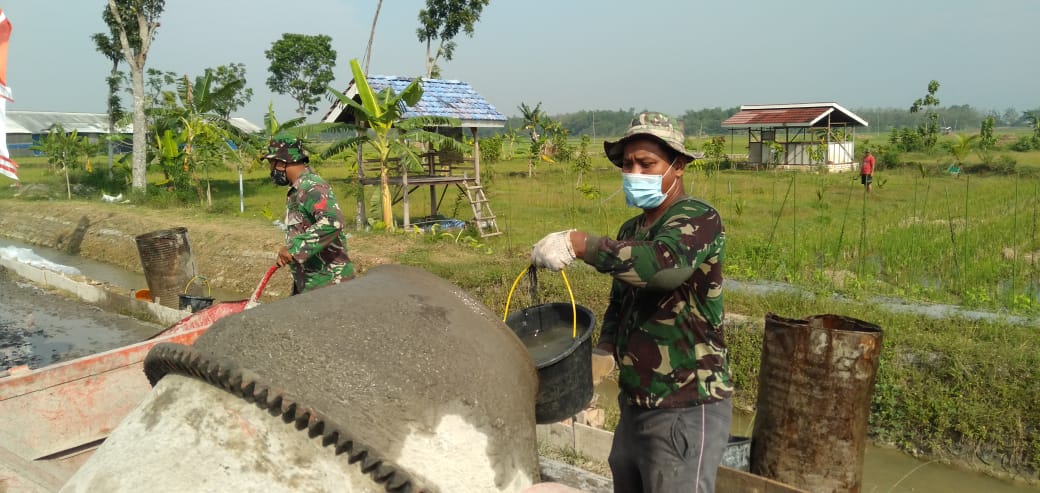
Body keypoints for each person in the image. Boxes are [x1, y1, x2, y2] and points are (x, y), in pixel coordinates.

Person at [530, 112, 733, 493]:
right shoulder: (631, 230)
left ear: (680, 166)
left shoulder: (697, 218)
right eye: (627, 164)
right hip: (637, 401)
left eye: (647, 163)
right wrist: (604, 350)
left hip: (686, 404)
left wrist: (581, 244)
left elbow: (663, 269)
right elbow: (621, 303)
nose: (634, 172)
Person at [264, 134, 355, 294]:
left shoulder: (311, 187)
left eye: (271, 163)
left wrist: (294, 249)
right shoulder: (297, 189)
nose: (271, 170)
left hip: (330, 285)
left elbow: (333, 222)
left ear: (282, 163)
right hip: (311, 282)